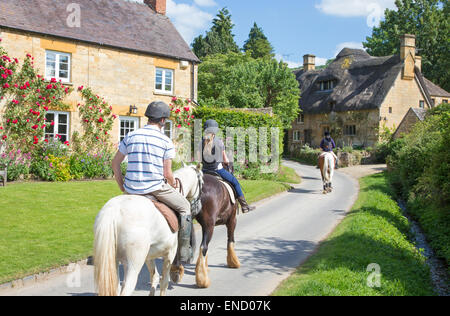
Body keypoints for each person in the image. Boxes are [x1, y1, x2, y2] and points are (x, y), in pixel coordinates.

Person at [111, 101, 192, 263]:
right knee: (185, 207)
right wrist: (174, 183)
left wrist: (122, 186)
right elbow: (167, 173)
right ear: (163, 120)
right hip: (155, 188)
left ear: (148, 118)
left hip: (131, 188)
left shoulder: (131, 136)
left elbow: (115, 163)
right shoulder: (165, 141)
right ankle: (184, 251)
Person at [201, 119, 256, 213]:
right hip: (217, 170)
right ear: (215, 130)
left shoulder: (200, 142)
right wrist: (226, 163)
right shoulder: (219, 142)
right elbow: (225, 159)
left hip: (204, 171)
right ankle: (244, 206)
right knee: (235, 182)